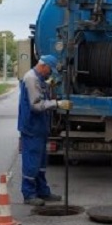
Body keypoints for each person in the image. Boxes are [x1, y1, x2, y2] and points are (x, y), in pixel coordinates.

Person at [18, 54, 72, 206]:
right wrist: (58, 104)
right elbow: (36, 105)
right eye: (50, 70)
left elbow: (45, 88)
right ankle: (29, 194)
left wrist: (51, 84)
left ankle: (43, 191)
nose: (50, 73)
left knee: (41, 163)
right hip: (31, 127)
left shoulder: (39, 78)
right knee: (32, 162)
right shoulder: (31, 79)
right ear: (43, 66)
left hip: (40, 127)